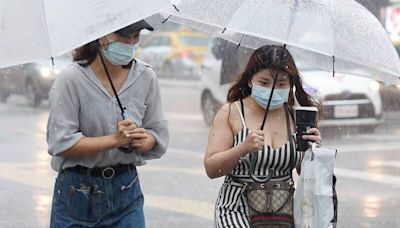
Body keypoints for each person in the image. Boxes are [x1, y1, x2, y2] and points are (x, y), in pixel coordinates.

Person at [47, 20, 169, 227]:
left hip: (126, 189)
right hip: (76, 193)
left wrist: (143, 140)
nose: (130, 43)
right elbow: (60, 143)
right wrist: (114, 140)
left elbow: (157, 134)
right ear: (100, 36)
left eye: (135, 36)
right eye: (123, 36)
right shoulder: (70, 79)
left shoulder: (146, 77)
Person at [204, 45, 322, 227]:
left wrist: (313, 152)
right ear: (250, 80)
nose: (273, 90)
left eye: (281, 84)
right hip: (236, 208)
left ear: (291, 85)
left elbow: (307, 176)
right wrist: (242, 149)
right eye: (264, 82)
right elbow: (211, 169)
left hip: (283, 210)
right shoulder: (231, 112)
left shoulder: (296, 117)